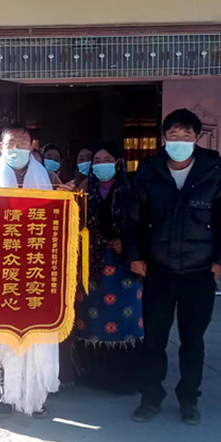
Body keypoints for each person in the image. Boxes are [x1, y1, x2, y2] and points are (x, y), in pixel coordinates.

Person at [126, 108, 221, 425]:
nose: (179, 141)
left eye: (186, 135)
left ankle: (189, 400)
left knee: (193, 342)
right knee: (153, 341)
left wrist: (220, 262)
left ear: (197, 138)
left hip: (198, 272)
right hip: (157, 271)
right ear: (164, 138)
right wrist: (135, 256)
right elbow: (133, 218)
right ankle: (150, 398)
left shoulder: (213, 172)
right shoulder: (149, 170)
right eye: (173, 135)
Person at [0, 122, 59, 418]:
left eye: (23, 142)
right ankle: (6, 395)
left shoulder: (49, 178)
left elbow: (64, 218)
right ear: (1, 147)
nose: (17, 148)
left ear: (31, 146)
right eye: (11, 143)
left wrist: (70, 198)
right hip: (2, 266)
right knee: (3, 333)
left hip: (36, 267)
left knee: (36, 333)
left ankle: (36, 397)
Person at [73, 143, 143, 393]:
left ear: (119, 163)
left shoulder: (131, 190)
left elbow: (142, 224)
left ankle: (126, 378)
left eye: (107, 159)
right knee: (92, 318)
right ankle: (95, 375)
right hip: (91, 264)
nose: (101, 164)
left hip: (124, 265)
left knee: (126, 319)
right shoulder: (82, 190)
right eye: (97, 160)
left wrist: (127, 241)